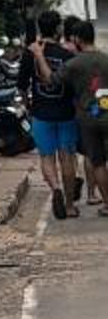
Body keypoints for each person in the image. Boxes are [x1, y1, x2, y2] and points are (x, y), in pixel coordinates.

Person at [26, 19, 83, 220]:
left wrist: (29, 105)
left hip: (41, 114)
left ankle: (56, 188)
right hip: (66, 114)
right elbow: (75, 88)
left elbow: (22, 85)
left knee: (47, 157)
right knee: (67, 158)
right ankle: (69, 206)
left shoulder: (30, 53)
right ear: (58, 28)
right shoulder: (67, 55)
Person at [61, 18, 108, 212]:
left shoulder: (73, 64)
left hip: (88, 119)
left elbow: (53, 82)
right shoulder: (105, 59)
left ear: (77, 39)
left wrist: (38, 56)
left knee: (98, 162)